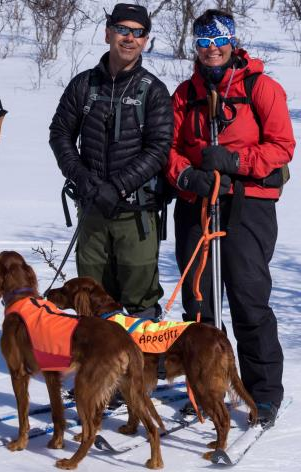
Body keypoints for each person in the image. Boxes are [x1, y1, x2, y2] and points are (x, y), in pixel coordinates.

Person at [166, 9, 295, 427]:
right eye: (203, 44)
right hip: (198, 202)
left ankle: (263, 392)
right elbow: (166, 147)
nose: (212, 50)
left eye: (218, 41)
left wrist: (236, 160)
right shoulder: (186, 93)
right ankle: (206, 387)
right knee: (199, 303)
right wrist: (186, 173)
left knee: (248, 296)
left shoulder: (261, 87)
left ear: (232, 42)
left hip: (247, 203)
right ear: (195, 48)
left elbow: (282, 146)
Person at [49, 3, 173, 320]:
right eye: (122, 30)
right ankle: (95, 367)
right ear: (108, 34)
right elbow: (60, 133)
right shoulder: (84, 85)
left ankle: (142, 367)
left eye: (138, 32)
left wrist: (117, 186)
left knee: (140, 297)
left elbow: (158, 148)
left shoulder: (154, 91)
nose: (129, 38)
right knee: (90, 295)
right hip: (92, 209)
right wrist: (83, 178)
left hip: (137, 212)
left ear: (145, 40)